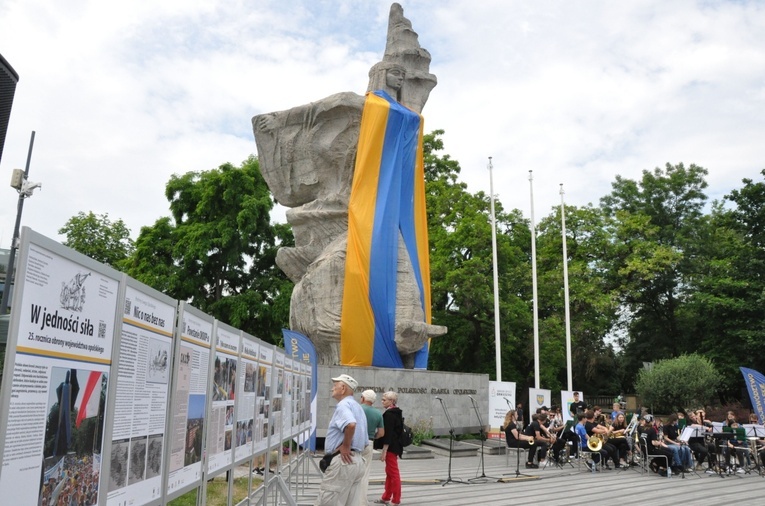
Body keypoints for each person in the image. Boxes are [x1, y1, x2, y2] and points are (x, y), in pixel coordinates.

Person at [316, 374, 368, 506]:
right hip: (357, 461)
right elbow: (365, 441)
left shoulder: (343, 405)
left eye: (335, 385)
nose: (332, 388)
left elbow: (351, 424)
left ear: (343, 388)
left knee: (327, 501)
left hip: (344, 460)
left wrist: (345, 446)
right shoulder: (358, 407)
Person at [374, 391, 404, 506]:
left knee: (393, 473)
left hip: (391, 448)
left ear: (391, 401)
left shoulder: (389, 415)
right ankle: (386, 497)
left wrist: (384, 451)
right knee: (390, 472)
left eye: (384, 399)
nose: (382, 401)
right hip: (395, 447)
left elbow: (388, 435)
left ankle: (396, 500)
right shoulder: (396, 412)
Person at [359, 390, 384, 506]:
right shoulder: (378, 413)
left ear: (363, 398)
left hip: (355, 443)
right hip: (369, 442)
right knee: (365, 472)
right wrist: (372, 436)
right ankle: (362, 501)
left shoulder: (357, 409)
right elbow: (381, 433)